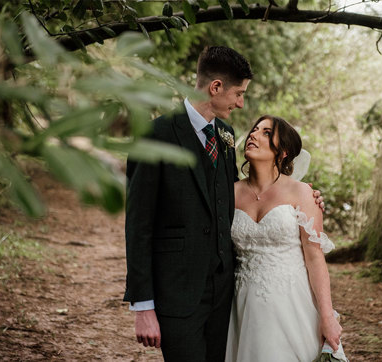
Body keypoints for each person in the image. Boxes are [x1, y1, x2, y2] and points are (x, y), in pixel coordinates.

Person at [123, 46, 324, 362]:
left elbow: (232, 199)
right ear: (215, 87)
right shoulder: (155, 135)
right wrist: (143, 306)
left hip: (226, 298)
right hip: (177, 294)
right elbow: (138, 224)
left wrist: (302, 196)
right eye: (239, 93)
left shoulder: (227, 137)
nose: (242, 103)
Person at [225, 115, 343, 362]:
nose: (254, 135)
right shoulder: (229, 193)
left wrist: (327, 316)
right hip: (241, 305)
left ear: (284, 152)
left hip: (292, 303)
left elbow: (314, 258)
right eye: (254, 130)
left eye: (266, 133)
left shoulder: (302, 193)